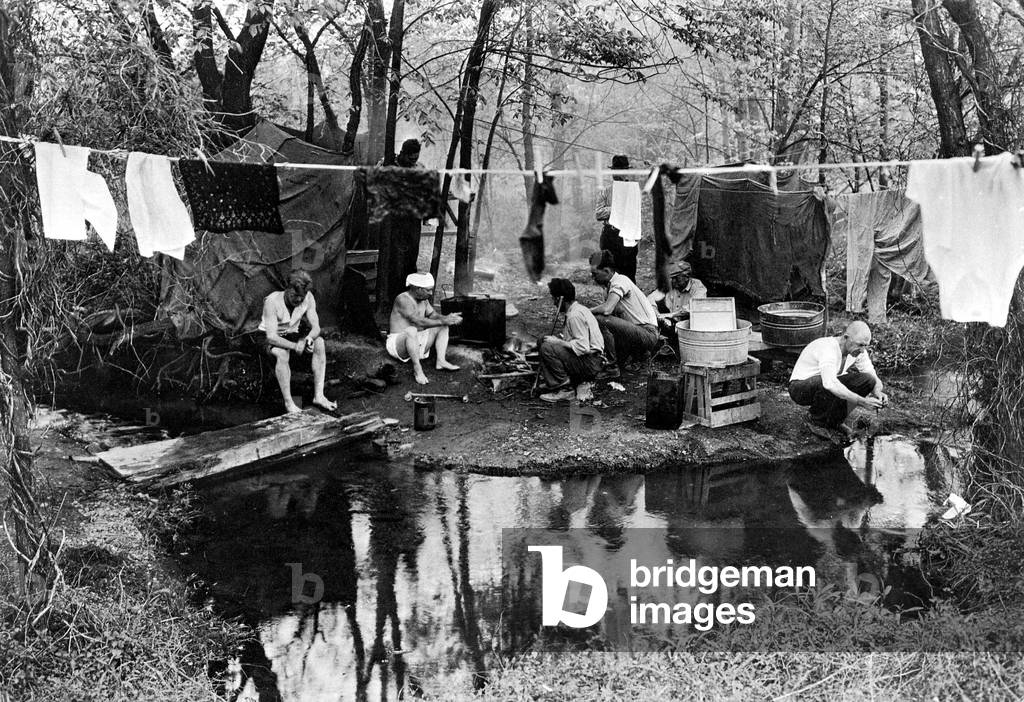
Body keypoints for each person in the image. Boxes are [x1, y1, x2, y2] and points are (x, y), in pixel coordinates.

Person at [789, 320, 889, 437]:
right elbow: (830, 383)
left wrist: (877, 391)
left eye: (866, 346)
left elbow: (872, 375)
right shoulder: (828, 348)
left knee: (868, 380)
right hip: (800, 388)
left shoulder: (859, 351)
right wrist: (863, 402)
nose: (862, 350)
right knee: (829, 382)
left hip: (825, 384)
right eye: (860, 345)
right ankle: (815, 420)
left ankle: (834, 421)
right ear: (846, 338)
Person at [259, 269, 337, 414]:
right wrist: (296, 346)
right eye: (295, 295)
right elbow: (271, 337)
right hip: (269, 337)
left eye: (302, 296)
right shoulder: (272, 301)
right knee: (282, 354)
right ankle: (289, 403)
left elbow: (316, 328)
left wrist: (307, 339)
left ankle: (319, 396)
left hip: (291, 334)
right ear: (287, 288)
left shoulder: (308, 298)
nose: (299, 300)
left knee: (319, 342)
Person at [589, 250, 660, 376]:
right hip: (634, 331)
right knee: (603, 322)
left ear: (606, 271)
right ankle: (637, 357)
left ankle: (612, 368)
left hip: (647, 333)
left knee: (600, 319)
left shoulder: (620, 281)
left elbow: (607, 309)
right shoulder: (608, 288)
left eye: (595, 274)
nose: (593, 278)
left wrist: (587, 311)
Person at [387, 271, 462, 385]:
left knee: (443, 326)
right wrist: (442, 320)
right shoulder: (403, 299)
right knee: (411, 330)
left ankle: (441, 361)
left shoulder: (424, 300)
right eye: (428, 290)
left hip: (417, 341)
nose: (431, 293)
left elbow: (433, 315)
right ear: (418, 288)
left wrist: (447, 318)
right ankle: (418, 370)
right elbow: (418, 321)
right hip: (398, 344)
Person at [538, 278, 605, 403]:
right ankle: (553, 381)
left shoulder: (575, 316)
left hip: (591, 363)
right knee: (543, 340)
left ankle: (564, 388)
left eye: (554, 299)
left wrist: (558, 342)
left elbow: (583, 347)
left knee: (547, 347)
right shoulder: (578, 310)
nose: (553, 303)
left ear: (560, 299)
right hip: (588, 360)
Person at [383, 138, 425, 304]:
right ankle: (395, 298)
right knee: (397, 261)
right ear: (402, 154)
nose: (413, 162)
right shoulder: (390, 164)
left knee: (411, 259)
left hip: (413, 219)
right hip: (396, 220)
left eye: (416, 158)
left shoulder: (420, 168)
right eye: (410, 158)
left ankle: (410, 297)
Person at [595, 154, 639, 281]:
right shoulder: (606, 191)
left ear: (626, 172)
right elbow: (598, 214)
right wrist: (615, 208)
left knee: (629, 273)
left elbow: (635, 216)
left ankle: (629, 298)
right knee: (609, 272)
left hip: (627, 235)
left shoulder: (633, 190)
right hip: (610, 235)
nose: (618, 173)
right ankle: (612, 298)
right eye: (615, 170)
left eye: (622, 170)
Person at [647, 260, 707, 333]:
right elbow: (650, 298)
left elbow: (694, 307)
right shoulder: (670, 284)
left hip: (689, 326)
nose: (673, 281)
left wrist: (670, 315)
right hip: (672, 323)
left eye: (676, 278)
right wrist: (657, 315)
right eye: (672, 278)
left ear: (687, 277)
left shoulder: (698, 287)